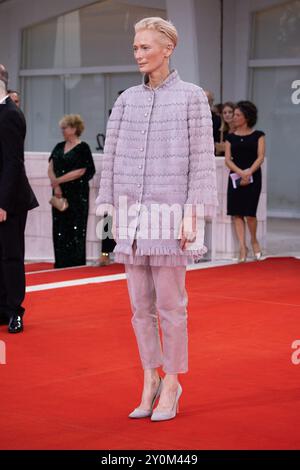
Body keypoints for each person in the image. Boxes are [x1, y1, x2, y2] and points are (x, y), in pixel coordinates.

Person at [96, 17, 218, 421]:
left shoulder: (191, 98)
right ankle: (149, 377)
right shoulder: (127, 99)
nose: (138, 54)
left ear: (168, 49)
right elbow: (110, 158)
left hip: (170, 218)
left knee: (171, 307)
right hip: (131, 217)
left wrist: (192, 216)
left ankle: (172, 381)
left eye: (145, 47)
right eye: (135, 47)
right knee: (138, 308)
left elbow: (202, 162)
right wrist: (108, 210)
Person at [0, 64, 39, 333]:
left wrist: (2, 202)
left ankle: (15, 311)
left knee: (11, 256)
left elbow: (14, 162)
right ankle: (3, 309)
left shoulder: (10, 114)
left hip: (10, 200)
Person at [48, 114, 95, 268]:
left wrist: (58, 181)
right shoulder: (58, 146)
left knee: (76, 226)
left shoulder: (83, 148)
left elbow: (81, 171)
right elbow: (51, 167)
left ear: (74, 129)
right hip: (59, 192)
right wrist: (56, 186)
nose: (62, 130)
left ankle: (75, 262)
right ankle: (61, 261)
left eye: (65, 127)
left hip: (77, 194)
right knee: (59, 227)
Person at [225, 101, 265, 262]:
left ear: (246, 117)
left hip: (253, 176)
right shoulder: (230, 137)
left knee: (250, 213)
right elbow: (228, 159)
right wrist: (241, 172)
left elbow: (260, 156)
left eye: (237, 115)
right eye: (234, 114)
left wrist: (248, 172)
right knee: (237, 213)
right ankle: (242, 247)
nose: (234, 117)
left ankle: (254, 240)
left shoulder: (258, 135)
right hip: (235, 177)